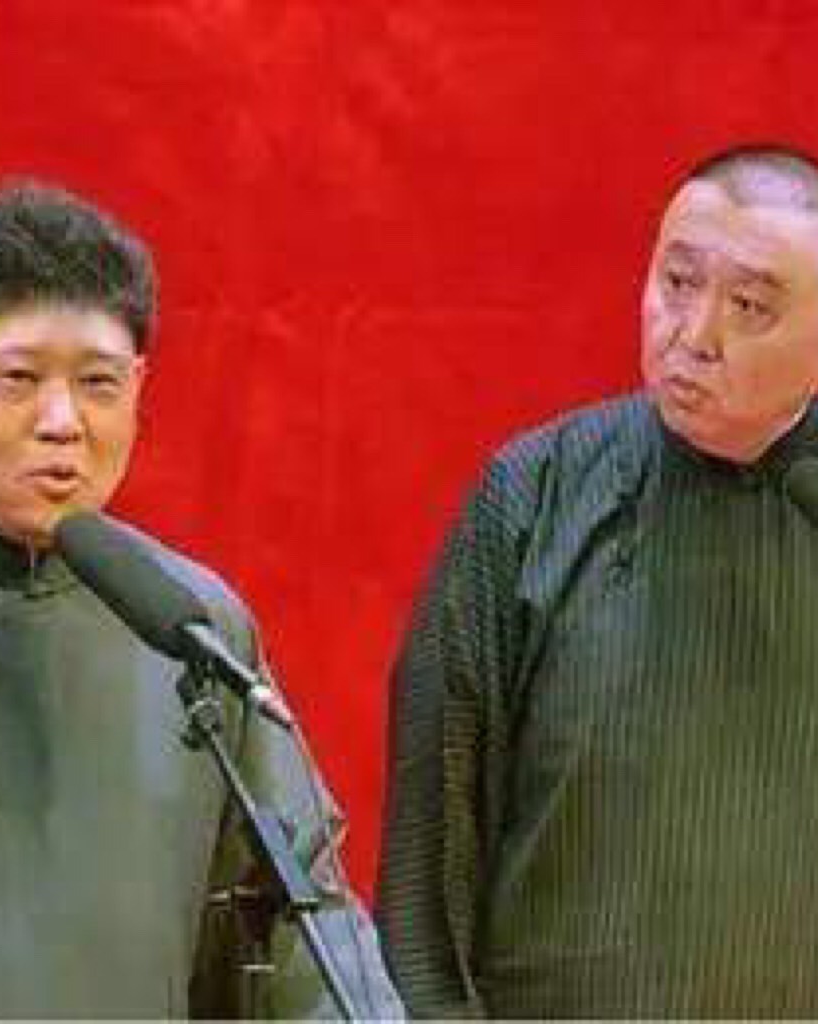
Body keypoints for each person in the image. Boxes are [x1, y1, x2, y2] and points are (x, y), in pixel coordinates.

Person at [0, 180, 402, 1018]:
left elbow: (304, 934)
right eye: (19, 379)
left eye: (98, 383)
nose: (63, 421)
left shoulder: (188, 622)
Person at [376, 144, 818, 1017]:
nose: (694, 335)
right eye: (677, 283)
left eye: (750, 307)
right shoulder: (533, 496)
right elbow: (428, 857)